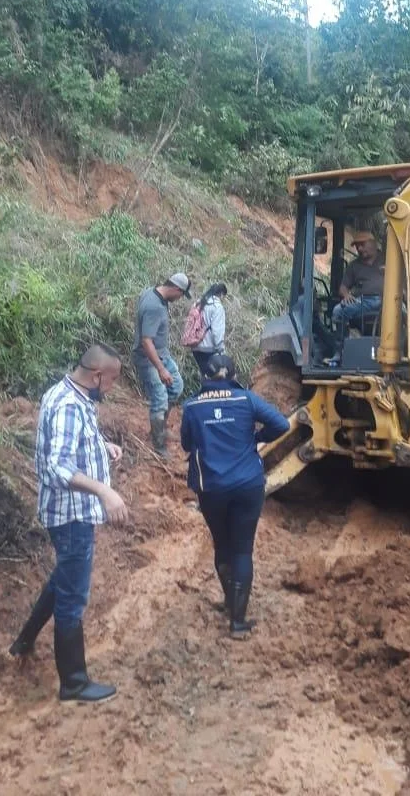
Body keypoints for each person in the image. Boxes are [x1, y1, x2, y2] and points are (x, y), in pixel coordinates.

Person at [9, 343, 129, 704]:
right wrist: (105, 492)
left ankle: (24, 640)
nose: (109, 389)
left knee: (62, 578)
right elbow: (57, 468)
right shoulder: (67, 406)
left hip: (68, 512)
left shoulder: (68, 394)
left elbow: (68, 443)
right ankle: (74, 683)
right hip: (71, 515)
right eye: (110, 382)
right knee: (72, 598)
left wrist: (101, 444)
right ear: (96, 375)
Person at [180, 354, 289, 638]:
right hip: (247, 484)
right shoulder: (247, 400)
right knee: (242, 549)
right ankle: (238, 622)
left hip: (211, 487)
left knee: (223, 545)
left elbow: (186, 443)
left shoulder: (192, 406)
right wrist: (255, 439)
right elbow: (282, 425)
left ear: (205, 375)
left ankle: (230, 601)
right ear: (234, 375)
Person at [132, 272, 190, 458]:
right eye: (181, 295)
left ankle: (161, 428)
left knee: (176, 386)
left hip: (162, 354)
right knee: (159, 398)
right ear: (176, 289)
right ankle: (158, 445)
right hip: (149, 359)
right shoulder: (154, 306)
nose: (180, 299)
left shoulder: (151, 292)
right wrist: (161, 369)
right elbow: (146, 341)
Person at [332, 231, 384, 332]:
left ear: (373, 243)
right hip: (364, 302)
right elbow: (343, 287)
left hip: (388, 301)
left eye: (362, 245)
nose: (359, 249)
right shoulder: (354, 265)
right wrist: (346, 295)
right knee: (338, 311)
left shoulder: (388, 259)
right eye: (357, 246)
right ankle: (343, 343)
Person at [191, 282, 228, 375]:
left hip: (195, 346)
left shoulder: (198, 303)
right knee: (216, 376)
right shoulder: (217, 307)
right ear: (221, 294)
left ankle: (205, 389)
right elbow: (217, 331)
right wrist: (221, 350)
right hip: (209, 348)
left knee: (204, 374)